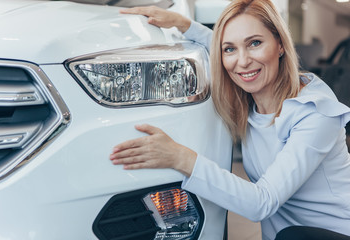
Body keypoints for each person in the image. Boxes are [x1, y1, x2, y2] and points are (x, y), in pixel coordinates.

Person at [110, 0, 350, 239]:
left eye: (255, 43)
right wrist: (184, 25)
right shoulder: (251, 101)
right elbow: (226, 49)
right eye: (230, 50)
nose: (243, 61)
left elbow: (261, 203)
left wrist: (179, 157)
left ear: (280, 45)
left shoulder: (315, 112)